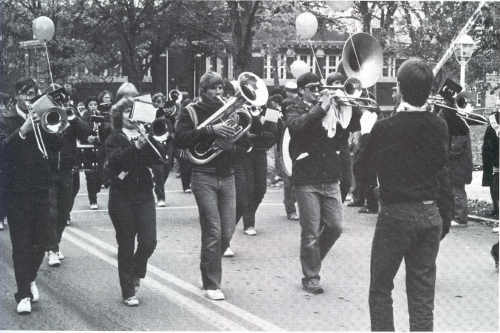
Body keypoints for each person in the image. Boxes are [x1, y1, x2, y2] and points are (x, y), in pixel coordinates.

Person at [359, 58, 453, 331]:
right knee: (422, 293)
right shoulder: (439, 126)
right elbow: (442, 173)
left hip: (396, 214)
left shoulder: (385, 127)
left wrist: (366, 134)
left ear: (399, 88)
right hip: (429, 213)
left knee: (380, 288)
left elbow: (362, 173)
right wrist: (444, 218)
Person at [286, 72, 360, 294]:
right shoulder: (293, 106)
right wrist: (320, 108)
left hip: (330, 176)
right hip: (306, 177)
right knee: (310, 231)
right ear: (301, 90)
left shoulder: (332, 108)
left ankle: (312, 259)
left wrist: (346, 105)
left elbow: (343, 133)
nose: (317, 90)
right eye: (311, 87)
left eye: (319, 86)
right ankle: (311, 276)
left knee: (336, 227)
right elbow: (296, 127)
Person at [0, 78, 63, 314]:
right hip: (16, 192)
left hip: (41, 189)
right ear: (17, 96)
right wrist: (23, 130)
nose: (29, 98)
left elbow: (57, 145)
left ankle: (30, 277)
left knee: (42, 242)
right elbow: (3, 150)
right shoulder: (5, 121)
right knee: (21, 245)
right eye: (25, 93)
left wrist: (53, 125)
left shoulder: (42, 117)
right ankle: (23, 293)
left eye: (32, 94)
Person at [175, 71, 237, 301]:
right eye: (213, 89)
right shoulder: (191, 110)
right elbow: (180, 139)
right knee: (213, 229)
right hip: (203, 174)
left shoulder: (229, 109)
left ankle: (206, 268)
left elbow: (241, 141)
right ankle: (212, 283)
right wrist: (211, 130)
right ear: (203, 90)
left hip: (227, 174)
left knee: (227, 231)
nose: (219, 93)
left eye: (221, 88)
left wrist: (233, 141)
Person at [104, 83, 163, 306]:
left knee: (149, 241)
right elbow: (115, 163)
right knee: (126, 244)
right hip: (122, 196)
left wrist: (152, 141)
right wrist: (135, 147)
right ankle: (127, 289)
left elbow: (160, 159)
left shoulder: (145, 134)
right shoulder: (114, 137)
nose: (130, 116)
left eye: (133, 112)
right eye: (126, 112)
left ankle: (137, 271)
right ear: (119, 115)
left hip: (144, 194)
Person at [45, 84, 91, 267]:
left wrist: (73, 118)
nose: (59, 100)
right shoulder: (44, 116)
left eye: (62, 97)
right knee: (51, 211)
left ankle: (54, 242)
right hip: (47, 171)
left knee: (64, 210)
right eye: (55, 97)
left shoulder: (71, 114)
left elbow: (86, 133)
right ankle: (52, 248)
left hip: (67, 170)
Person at [150, 92, 175, 207]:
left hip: (167, 147)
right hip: (155, 147)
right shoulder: (150, 116)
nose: (160, 104)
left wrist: (171, 134)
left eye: (161, 101)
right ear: (153, 103)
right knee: (159, 171)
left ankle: (157, 185)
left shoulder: (168, 118)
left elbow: (172, 131)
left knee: (166, 170)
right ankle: (161, 197)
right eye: (157, 101)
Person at [280, 81, 299, 221]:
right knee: (288, 179)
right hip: (282, 145)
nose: (291, 93)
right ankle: (290, 208)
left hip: (297, 145)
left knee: (297, 178)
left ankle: (291, 203)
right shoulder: (276, 107)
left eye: (294, 91)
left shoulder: (299, 108)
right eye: (289, 91)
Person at [482, 110, 499, 218]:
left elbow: (487, 144)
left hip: (495, 159)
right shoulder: (493, 122)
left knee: (495, 186)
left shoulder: (493, 122)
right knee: (495, 185)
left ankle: (496, 209)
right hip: (495, 159)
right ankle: (496, 209)